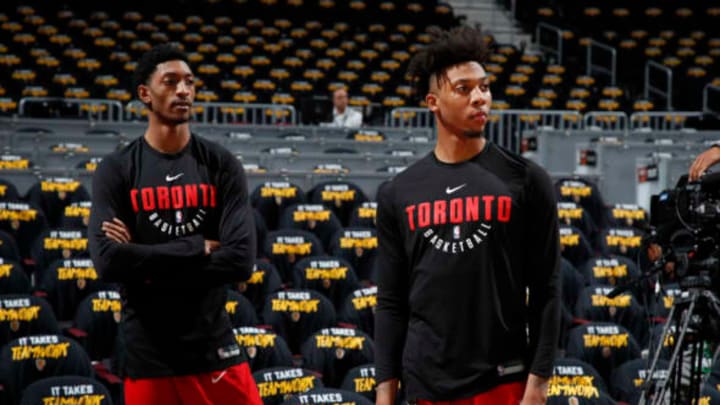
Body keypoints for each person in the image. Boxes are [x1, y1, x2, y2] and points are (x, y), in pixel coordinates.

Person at [374, 26, 561, 405]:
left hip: (500, 381)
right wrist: (385, 392)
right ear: (432, 102)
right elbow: (391, 302)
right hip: (424, 382)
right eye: (464, 89)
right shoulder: (398, 192)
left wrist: (538, 384)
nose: (479, 98)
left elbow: (548, 291)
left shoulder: (526, 180)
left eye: (485, 87)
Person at [88, 44, 262, 405]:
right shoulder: (117, 169)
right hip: (148, 356)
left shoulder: (220, 163)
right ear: (145, 94)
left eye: (189, 82)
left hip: (214, 347)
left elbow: (241, 261)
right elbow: (106, 262)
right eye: (170, 82)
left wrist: (141, 258)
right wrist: (195, 248)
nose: (183, 90)